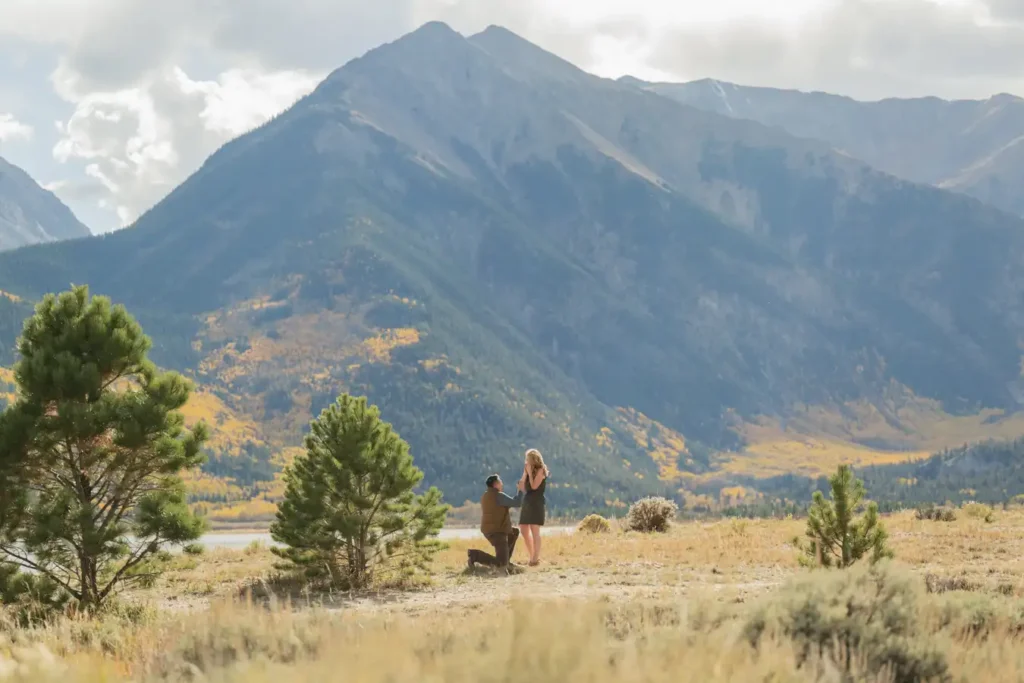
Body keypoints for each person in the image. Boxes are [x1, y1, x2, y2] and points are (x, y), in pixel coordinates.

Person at [467, 473, 524, 571]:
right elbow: (517, 503)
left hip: (491, 530)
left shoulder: (486, 495)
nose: (502, 484)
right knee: (501, 565)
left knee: (513, 532)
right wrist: (520, 490)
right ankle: (475, 555)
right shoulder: (498, 496)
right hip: (497, 532)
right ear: (496, 484)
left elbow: (504, 505)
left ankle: (506, 561)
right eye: (500, 482)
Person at [518, 448, 549, 566]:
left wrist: (530, 474)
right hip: (527, 501)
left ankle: (535, 559)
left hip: (536, 502)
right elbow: (522, 487)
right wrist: (525, 473)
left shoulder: (541, 470)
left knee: (534, 530)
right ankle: (532, 555)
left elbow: (534, 486)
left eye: (528, 459)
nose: (526, 462)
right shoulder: (528, 471)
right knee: (523, 529)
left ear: (533, 460)